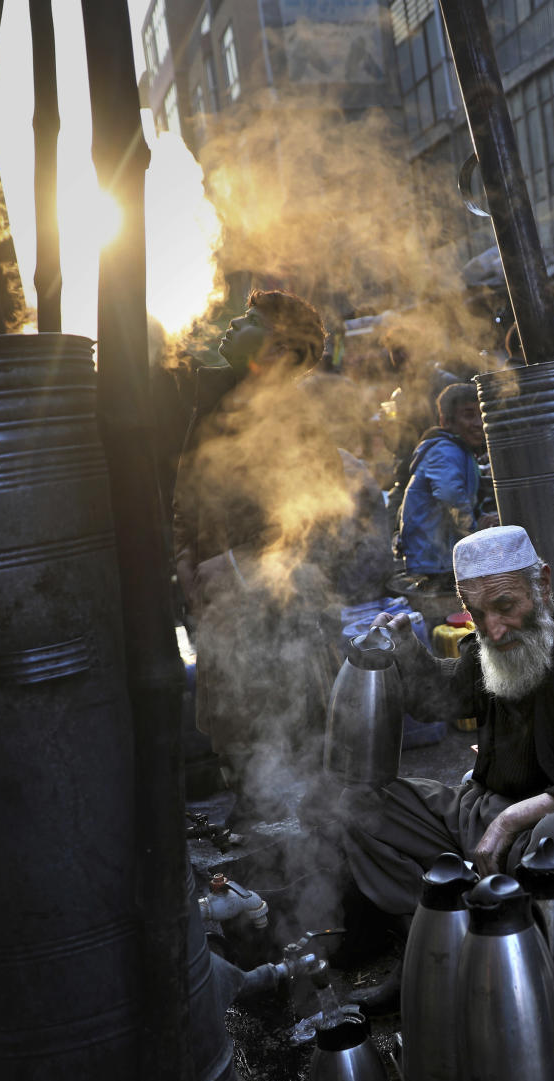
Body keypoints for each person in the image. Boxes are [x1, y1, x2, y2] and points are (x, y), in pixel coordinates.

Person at [337, 524, 554, 1007]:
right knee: (358, 802)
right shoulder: (490, 642)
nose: (492, 628)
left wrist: (513, 818)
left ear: (543, 584)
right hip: (482, 810)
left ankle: (536, 975)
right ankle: (432, 947)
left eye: (506, 606)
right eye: (477, 612)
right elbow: (442, 699)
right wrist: (408, 650)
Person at [172, 290, 346, 809]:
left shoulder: (298, 425)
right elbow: (186, 500)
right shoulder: (215, 408)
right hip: (220, 615)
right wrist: (183, 561)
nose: (231, 326)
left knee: (288, 746)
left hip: (277, 620)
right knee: (238, 748)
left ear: (280, 349)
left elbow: (318, 523)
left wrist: (237, 568)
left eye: (248, 320)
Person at [396, 383, 495, 586]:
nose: (478, 423)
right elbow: (451, 496)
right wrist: (475, 532)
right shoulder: (444, 450)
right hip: (434, 559)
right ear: (446, 422)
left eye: (481, 414)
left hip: (441, 555)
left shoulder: (460, 450)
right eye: (469, 415)